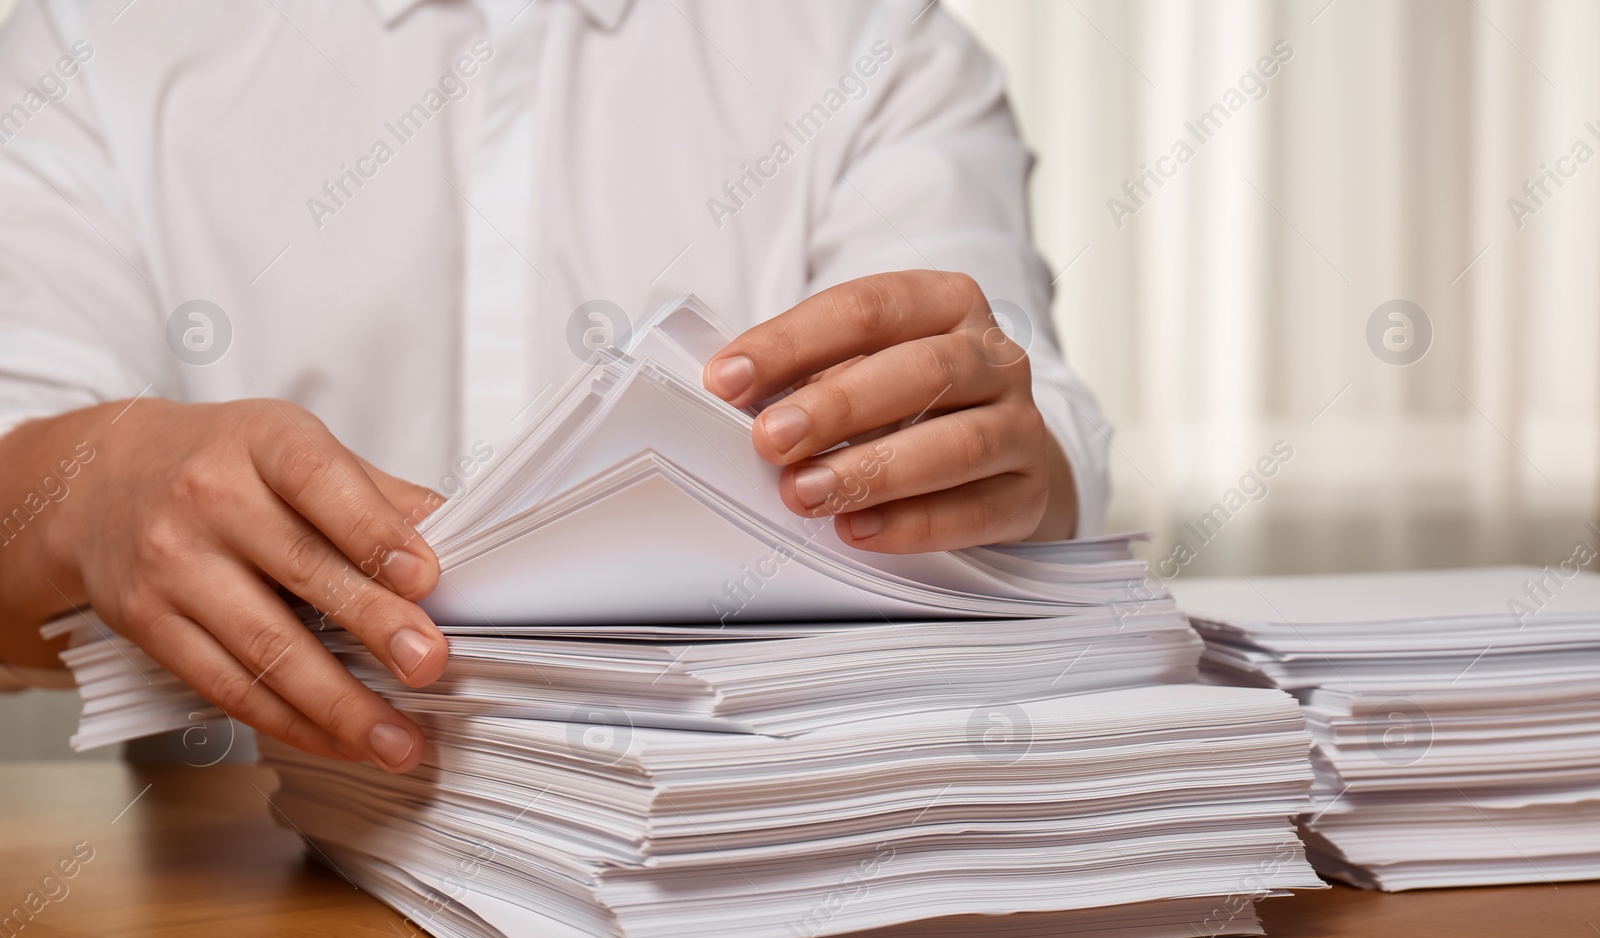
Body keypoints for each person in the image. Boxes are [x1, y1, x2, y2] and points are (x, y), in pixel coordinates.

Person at [0, 0, 1110, 772]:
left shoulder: (871, 40)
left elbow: (1025, 432)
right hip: (245, 909)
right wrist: (91, 486)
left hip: (773, 900)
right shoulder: (99, 38)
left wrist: (1015, 461)